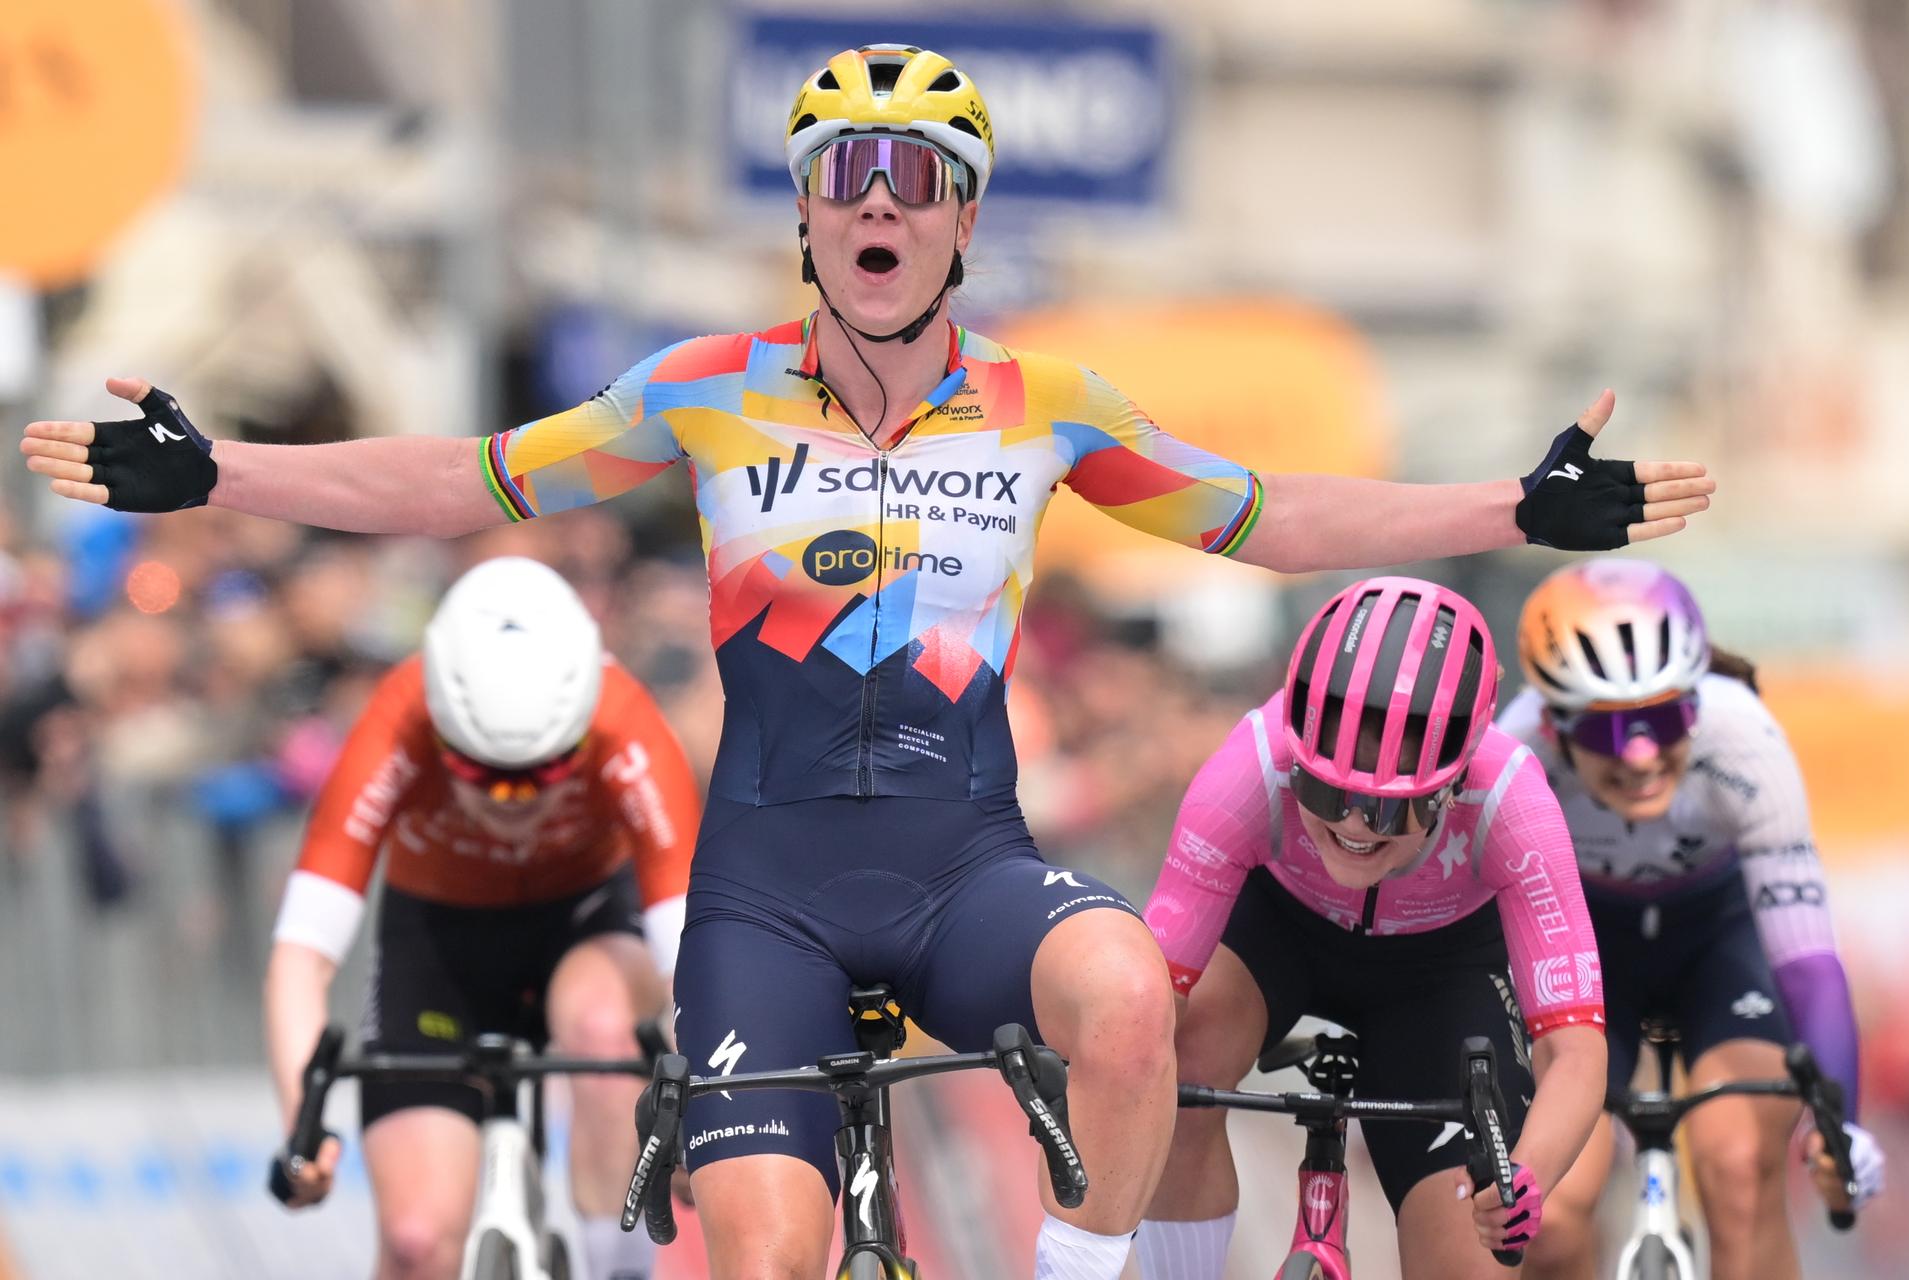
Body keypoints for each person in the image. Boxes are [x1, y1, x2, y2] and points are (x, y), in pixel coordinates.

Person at [20, 44, 1713, 1280]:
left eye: (920, 179)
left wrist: (1510, 501)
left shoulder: (1049, 406)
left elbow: (1264, 518)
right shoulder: (701, 387)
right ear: (812, 221)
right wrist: (227, 474)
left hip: (966, 871)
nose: (881, 203)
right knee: (761, 1262)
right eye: (848, 175)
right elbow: (466, 479)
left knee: (1132, 993)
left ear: (961, 222)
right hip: (767, 902)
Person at [1135, 577, 1608, 1279]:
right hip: (1279, 935)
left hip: (1442, 974)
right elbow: (1148, 1007)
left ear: (1456, 782)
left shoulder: (1512, 800)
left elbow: (1575, 1052)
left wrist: (1524, 1180)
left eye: (1391, 810)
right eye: (1326, 791)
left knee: (1471, 1249)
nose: (1353, 827)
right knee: (1175, 1075)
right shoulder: (1254, 765)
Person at [263, 556, 700, 1280]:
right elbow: (300, 956)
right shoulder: (397, 718)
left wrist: (701, 1119)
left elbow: (690, 958)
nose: (512, 801)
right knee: (415, 1242)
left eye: (546, 772)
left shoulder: (626, 722)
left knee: (600, 1026)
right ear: (441, 729)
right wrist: (301, 1133)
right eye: (482, 774)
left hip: (587, 926)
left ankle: (620, 1266)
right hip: (438, 946)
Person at [1500, 559, 1882, 1280]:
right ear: (1554, 722)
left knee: (1739, 1168)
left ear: (1697, 705)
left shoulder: (1745, 738)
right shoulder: (1517, 756)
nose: (1641, 754)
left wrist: (1844, 1127)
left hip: (1718, 938)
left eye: (1664, 717)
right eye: (1609, 732)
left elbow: (1806, 959)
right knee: (1548, 1210)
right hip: (1588, 945)